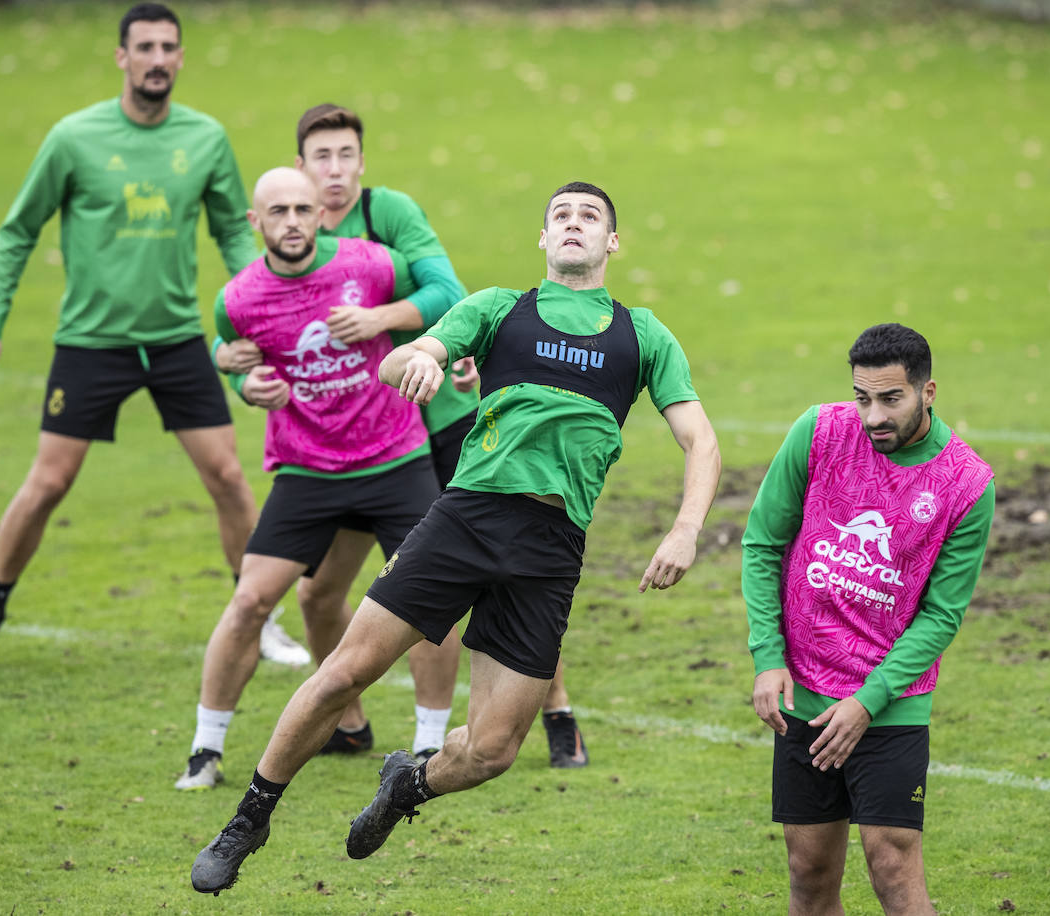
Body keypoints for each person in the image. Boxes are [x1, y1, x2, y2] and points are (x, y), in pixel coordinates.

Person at [190, 180, 721, 895]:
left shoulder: (643, 335)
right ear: (542, 238)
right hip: (467, 519)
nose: (573, 224)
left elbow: (700, 439)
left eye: (589, 216)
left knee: (495, 750)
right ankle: (249, 819)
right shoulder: (500, 309)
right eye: (560, 215)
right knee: (345, 672)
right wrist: (422, 359)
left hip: (551, 548)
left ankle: (406, 786)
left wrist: (686, 530)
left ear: (612, 242)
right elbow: (402, 358)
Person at [215, 104, 589, 767]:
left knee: (498, 574)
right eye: (321, 158)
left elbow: (448, 290)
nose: (334, 172)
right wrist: (235, 364)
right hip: (356, 444)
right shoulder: (288, 222)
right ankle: (350, 723)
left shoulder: (386, 215)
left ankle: (557, 714)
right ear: (298, 169)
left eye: (346, 156)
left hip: (436, 420)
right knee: (318, 591)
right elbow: (252, 324)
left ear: (362, 161)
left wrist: (378, 318)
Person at [0, 2, 306, 674]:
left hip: (176, 343)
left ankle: (258, 616)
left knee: (229, 476)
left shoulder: (204, 138)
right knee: (50, 483)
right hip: (92, 343)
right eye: (146, 48)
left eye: (170, 47)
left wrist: (261, 302)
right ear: (122, 57)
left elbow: (233, 227)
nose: (159, 59)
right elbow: (18, 230)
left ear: (180, 58)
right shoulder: (74, 138)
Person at [175, 166, 442, 791]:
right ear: (255, 222)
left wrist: (384, 321)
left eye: (302, 209)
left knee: (435, 604)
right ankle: (205, 751)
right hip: (308, 470)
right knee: (249, 601)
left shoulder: (370, 264)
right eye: (278, 212)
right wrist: (243, 381)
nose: (292, 222)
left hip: (394, 458)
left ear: (321, 214)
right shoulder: (238, 297)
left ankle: (429, 747)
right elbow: (232, 352)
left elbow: (441, 296)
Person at [743, 323, 995, 915]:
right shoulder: (819, 431)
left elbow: (940, 616)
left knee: (893, 868)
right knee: (809, 872)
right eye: (863, 398)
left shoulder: (966, 484)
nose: (873, 415)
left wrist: (869, 700)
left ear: (927, 391)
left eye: (891, 399)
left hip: (891, 701)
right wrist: (768, 658)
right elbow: (762, 544)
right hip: (804, 693)